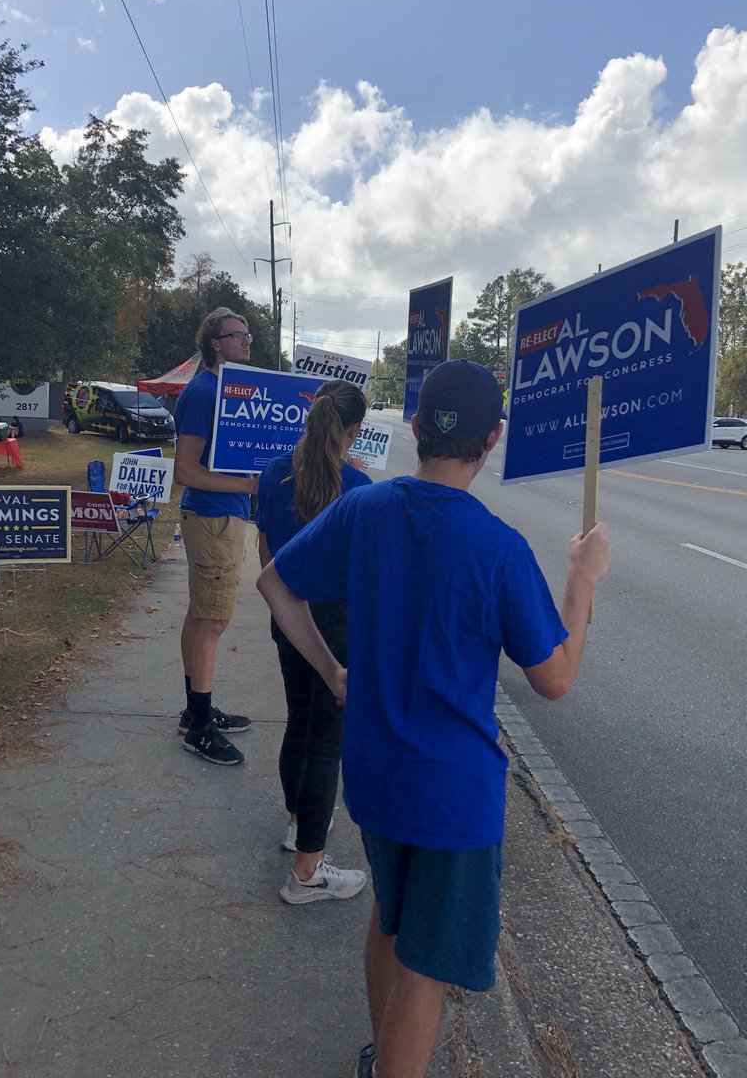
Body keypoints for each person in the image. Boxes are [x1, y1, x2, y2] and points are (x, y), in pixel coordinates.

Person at [256, 359, 611, 1078]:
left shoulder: (366, 509)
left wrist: (332, 672)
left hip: (375, 774)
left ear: (415, 429)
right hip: (453, 796)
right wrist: (582, 580)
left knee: (390, 918)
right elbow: (557, 677)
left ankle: (381, 1053)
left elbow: (274, 583)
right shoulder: (499, 548)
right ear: (494, 439)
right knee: (426, 964)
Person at [256, 380, 371, 905]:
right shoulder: (359, 487)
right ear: (353, 431)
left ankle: (297, 824)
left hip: (288, 611)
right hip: (338, 622)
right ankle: (307, 871)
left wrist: (281, 607)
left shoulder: (273, 473)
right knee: (327, 741)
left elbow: (265, 549)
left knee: (299, 721)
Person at [173, 307, 258, 766]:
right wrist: (248, 485)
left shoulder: (223, 389)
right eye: (237, 336)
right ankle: (200, 730)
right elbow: (186, 470)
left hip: (219, 518)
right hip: (214, 519)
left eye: (248, 336)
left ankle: (196, 710)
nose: (246, 343)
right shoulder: (205, 393)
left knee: (200, 616)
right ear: (214, 343)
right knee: (212, 623)